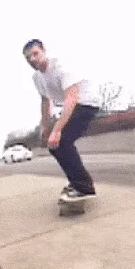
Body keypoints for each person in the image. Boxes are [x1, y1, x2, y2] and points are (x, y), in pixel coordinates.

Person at [22, 39, 100, 201]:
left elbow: (71, 98)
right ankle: (77, 181)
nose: (33, 60)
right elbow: (45, 101)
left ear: (43, 50)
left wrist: (56, 130)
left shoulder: (62, 67)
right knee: (54, 145)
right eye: (28, 58)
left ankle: (84, 188)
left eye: (35, 54)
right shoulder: (37, 78)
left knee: (62, 141)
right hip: (68, 106)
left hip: (85, 104)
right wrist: (45, 127)